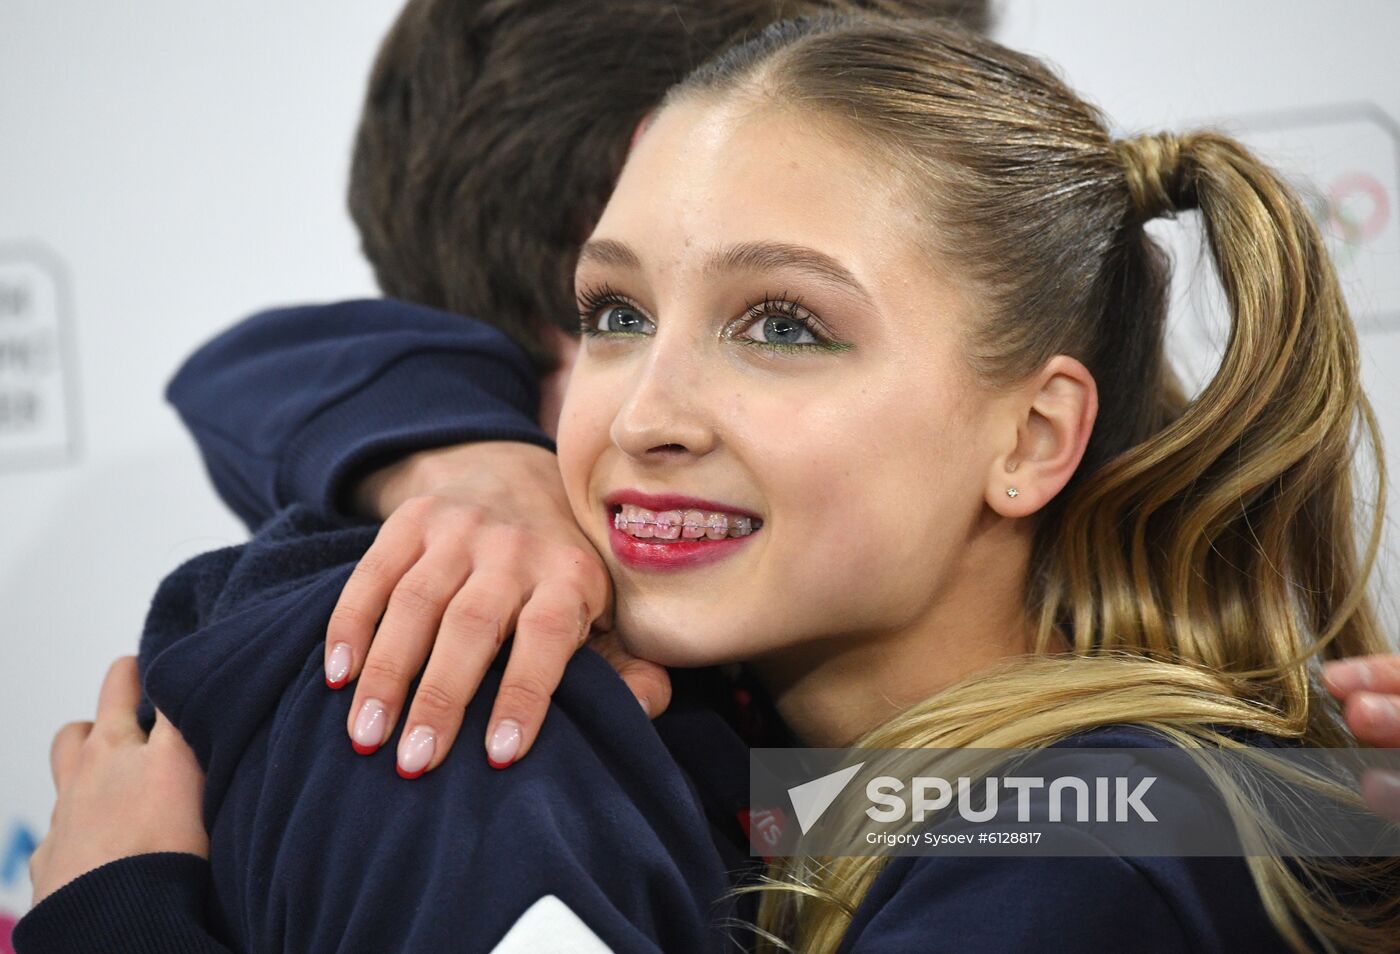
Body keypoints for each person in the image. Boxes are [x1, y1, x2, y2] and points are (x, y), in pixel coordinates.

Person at [21, 6, 1400, 953]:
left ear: (1035, 434)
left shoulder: (1092, 833)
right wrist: (480, 469)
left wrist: (119, 909)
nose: (644, 413)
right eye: (617, 313)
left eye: (784, 325)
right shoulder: (895, 780)